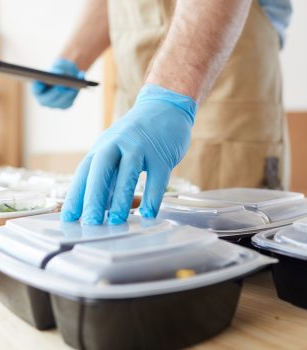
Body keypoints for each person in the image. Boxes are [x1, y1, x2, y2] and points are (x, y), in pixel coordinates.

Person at [33, 0, 292, 225]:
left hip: (226, 84)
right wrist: (74, 58)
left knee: (229, 232)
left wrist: (169, 98)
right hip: (137, 98)